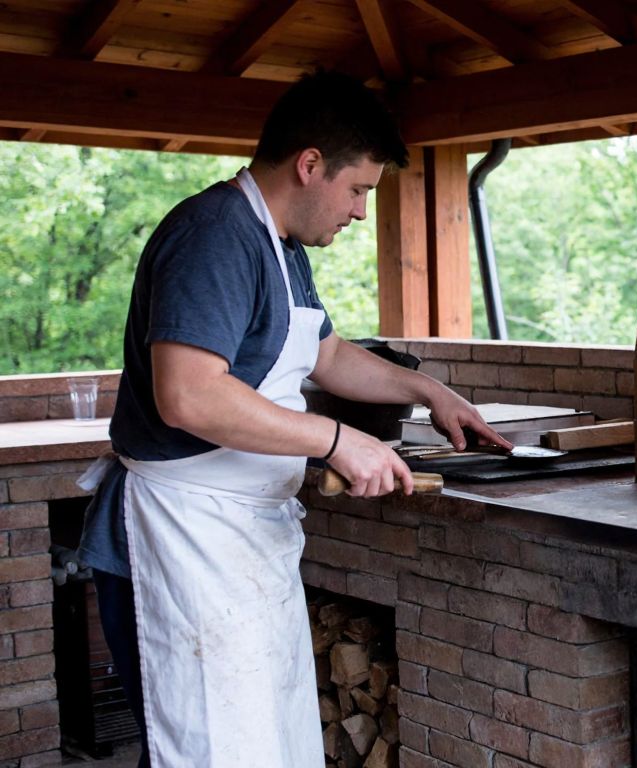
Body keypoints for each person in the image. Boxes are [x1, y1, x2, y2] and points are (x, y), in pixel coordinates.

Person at [76, 71, 512, 767]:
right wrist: (337, 439)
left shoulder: (281, 246)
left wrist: (428, 390)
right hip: (183, 536)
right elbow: (188, 395)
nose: (362, 211)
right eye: (359, 190)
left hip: (244, 539)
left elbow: (327, 353)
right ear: (309, 165)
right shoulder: (214, 234)